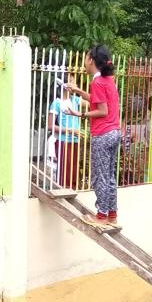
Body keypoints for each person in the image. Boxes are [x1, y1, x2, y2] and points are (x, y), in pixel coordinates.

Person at [67, 45, 122, 222]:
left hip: (103, 134)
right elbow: (97, 100)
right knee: (110, 176)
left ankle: (101, 216)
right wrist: (78, 91)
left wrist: (80, 114)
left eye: (85, 57)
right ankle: (111, 214)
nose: (84, 61)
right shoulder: (107, 80)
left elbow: (102, 110)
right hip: (114, 133)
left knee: (100, 176)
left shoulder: (97, 82)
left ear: (91, 60)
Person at [46, 75, 83, 189]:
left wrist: (78, 91)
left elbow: (92, 102)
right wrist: (70, 131)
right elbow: (50, 126)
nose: (75, 85)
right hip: (63, 141)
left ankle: (72, 192)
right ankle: (63, 192)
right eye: (72, 82)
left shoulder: (75, 100)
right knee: (64, 172)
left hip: (75, 141)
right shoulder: (57, 103)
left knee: (74, 171)